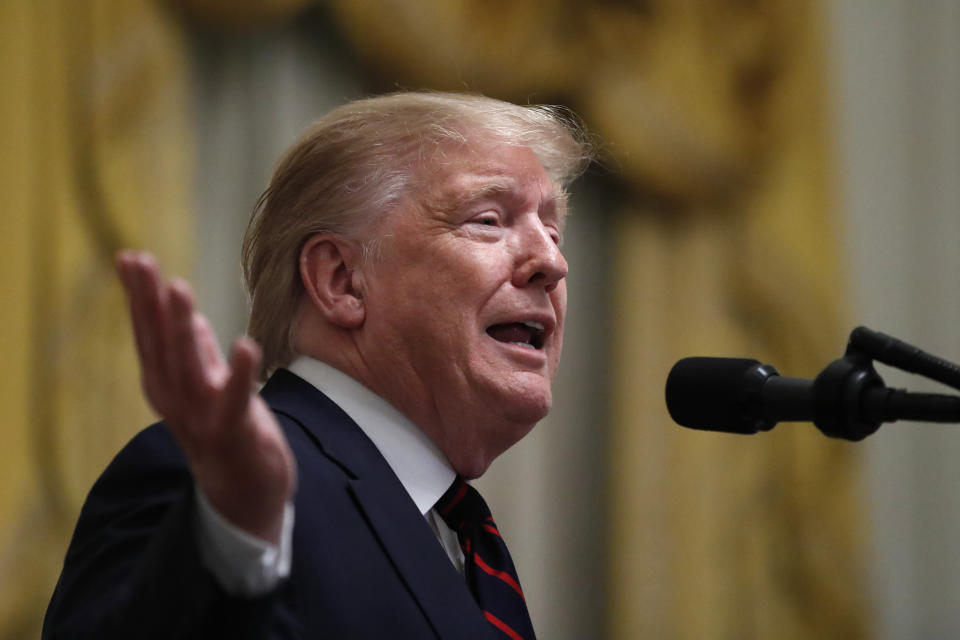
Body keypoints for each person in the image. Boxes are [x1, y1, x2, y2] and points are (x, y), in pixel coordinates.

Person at [42, 92, 592, 639]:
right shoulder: (214, 488)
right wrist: (233, 539)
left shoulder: (462, 536)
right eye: (489, 220)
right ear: (342, 281)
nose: (552, 262)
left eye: (551, 231)